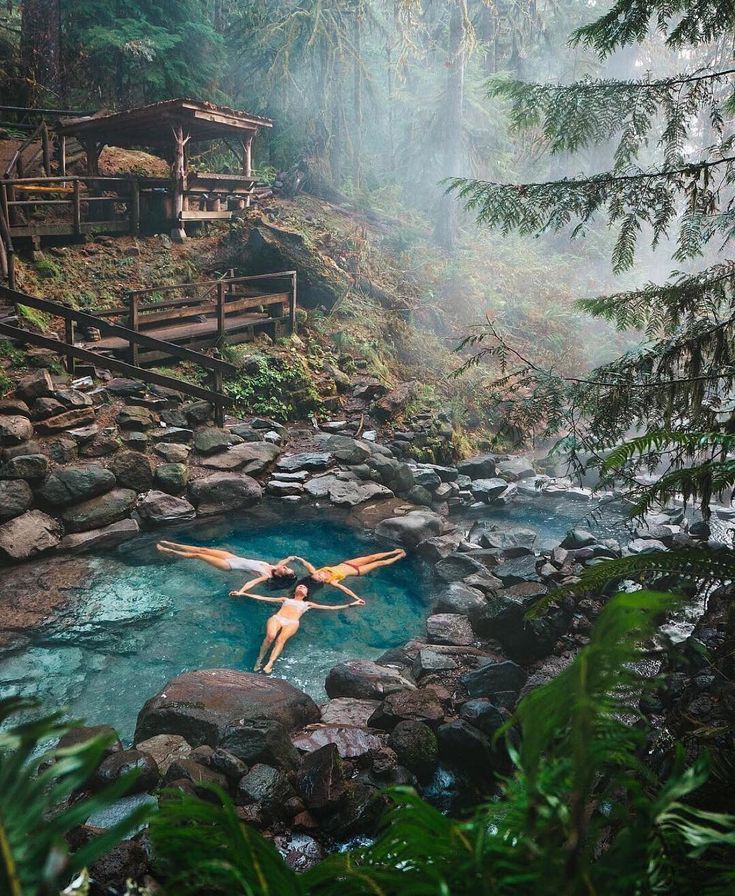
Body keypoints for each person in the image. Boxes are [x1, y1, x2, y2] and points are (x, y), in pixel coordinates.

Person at [236, 582, 365, 674]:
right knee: (270, 637)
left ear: (306, 593)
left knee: (280, 641)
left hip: (292, 622)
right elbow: (264, 597)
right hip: (277, 618)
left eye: (304, 587)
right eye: (300, 585)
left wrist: (351, 605)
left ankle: (269, 664)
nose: (302, 587)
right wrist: (242, 593)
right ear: (295, 590)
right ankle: (259, 660)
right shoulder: (285, 599)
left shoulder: (307, 604)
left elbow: (330, 607)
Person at [245, 548, 407, 603]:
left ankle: (393, 551)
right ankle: (399, 557)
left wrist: (300, 559)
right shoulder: (332, 581)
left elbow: (308, 566)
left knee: (372, 557)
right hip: (356, 571)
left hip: (347, 563)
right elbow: (345, 589)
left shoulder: (315, 573)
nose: (321, 575)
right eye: (320, 577)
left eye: (319, 575)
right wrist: (356, 598)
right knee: (379, 563)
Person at [155, 540, 297, 587]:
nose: (285, 567)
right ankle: (173, 544)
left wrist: (242, 591)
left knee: (197, 555)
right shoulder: (273, 567)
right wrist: (290, 558)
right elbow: (281, 562)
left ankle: (168, 550)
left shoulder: (266, 575)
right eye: (287, 567)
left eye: (286, 569)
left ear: (280, 575)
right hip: (232, 557)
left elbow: (251, 583)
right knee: (203, 549)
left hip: (228, 566)